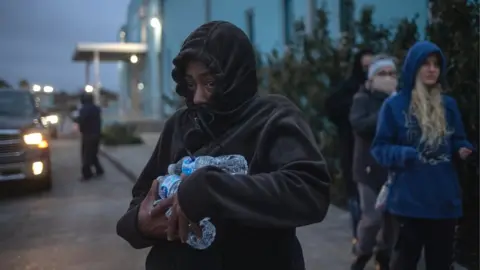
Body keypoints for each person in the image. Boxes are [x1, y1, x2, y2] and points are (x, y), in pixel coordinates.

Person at [116, 21, 331, 270]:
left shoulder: (272, 117)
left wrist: (212, 190)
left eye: (209, 83)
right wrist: (140, 226)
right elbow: (140, 202)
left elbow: (309, 192)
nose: (197, 97)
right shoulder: (179, 125)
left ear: (236, 76)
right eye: (191, 83)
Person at [371, 41, 474, 270]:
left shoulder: (448, 105)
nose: (431, 69)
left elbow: (458, 138)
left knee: (441, 263)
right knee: (404, 262)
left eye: (436, 65)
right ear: (413, 67)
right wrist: (404, 153)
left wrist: (462, 149)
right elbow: (379, 148)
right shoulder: (395, 106)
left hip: (444, 200)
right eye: (425, 64)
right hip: (409, 201)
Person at [349, 55, 398, 270]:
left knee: (391, 222)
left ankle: (383, 258)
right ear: (372, 77)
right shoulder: (363, 99)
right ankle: (362, 255)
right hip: (368, 170)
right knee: (372, 219)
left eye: (391, 73)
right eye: (382, 73)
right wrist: (386, 110)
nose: (387, 78)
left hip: (393, 170)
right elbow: (359, 125)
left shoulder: (401, 100)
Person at [325, 48, 373, 247]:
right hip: (352, 148)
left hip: (378, 152)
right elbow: (332, 107)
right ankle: (359, 237)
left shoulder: (384, 92)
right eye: (365, 67)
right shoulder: (349, 90)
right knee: (355, 193)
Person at [76, 93, 104, 180]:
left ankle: (87, 174)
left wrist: (81, 128)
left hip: (88, 135)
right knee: (93, 153)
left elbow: (82, 121)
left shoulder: (84, 109)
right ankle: (99, 170)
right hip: (96, 134)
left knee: (86, 155)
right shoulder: (96, 108)